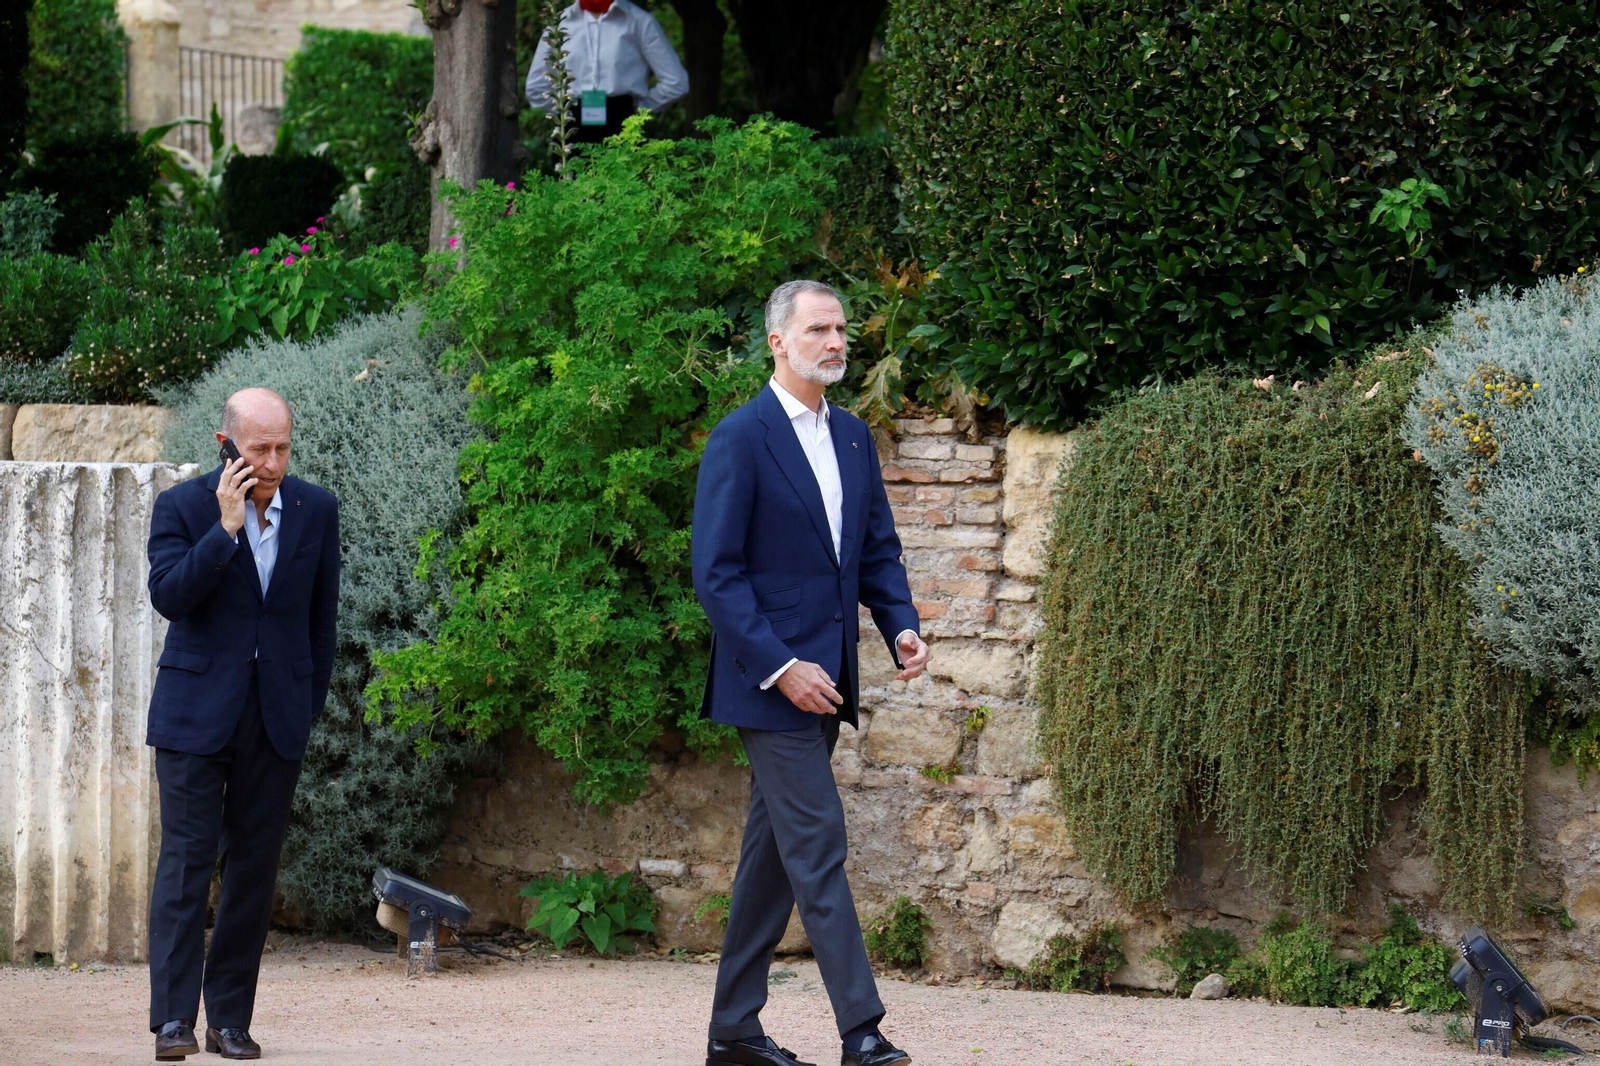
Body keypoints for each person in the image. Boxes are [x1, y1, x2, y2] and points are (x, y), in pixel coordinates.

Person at [692, 280, 931, 1066]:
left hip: (829, 684)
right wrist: (781, 666)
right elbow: (717, 574)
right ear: (778, 342)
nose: (835, 342)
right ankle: (862, 1031)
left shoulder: (855, 437)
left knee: (773, 857)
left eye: (840, 330)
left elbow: (874, 551)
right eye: (818, 330)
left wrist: (901, 627)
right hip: (769, 687)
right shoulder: (740, 437)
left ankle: (733, 1031)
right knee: (819, 839)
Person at [144, 388, 340, 1061]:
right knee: (186, 867)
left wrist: (306, 706)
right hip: (194, 715)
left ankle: (230, 1020)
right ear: (227, 444)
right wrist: (223, 530)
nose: (275, 460)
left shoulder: (316, 509)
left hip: (275, 716)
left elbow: (321, 618)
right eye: (261, 448)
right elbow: (169, 596)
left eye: (283, 446)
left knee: (253, 872)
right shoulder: (182, 508)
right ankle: (173, 1022)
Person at [524, 0, 690, 143]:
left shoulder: (638, 22)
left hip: (623, 120)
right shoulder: (560, 23)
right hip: (570, 123)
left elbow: (676, 81)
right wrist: (561, 114)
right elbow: (536, 86)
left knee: (623, 178)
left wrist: (637, 111)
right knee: (570, 178)